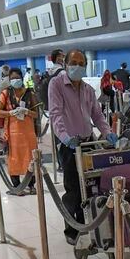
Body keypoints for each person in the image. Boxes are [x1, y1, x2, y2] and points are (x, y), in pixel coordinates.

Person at [49, 49, 117, 245]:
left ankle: (91, 223)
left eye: (81, 63)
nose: (77, 67)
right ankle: (73, 227)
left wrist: (107, 133)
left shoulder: (88, 89)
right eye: (73, 62)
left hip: (88, 142)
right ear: (66, 64)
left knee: (92, 186)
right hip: (70, 145)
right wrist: (65, 138)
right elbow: (56, 114)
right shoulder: (57, 84)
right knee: (74, 190)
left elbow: (97, 115)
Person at [0, 67, 39, 195]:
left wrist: (27, 111)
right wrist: (10, 112)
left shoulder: (29, 93)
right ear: (9, 79)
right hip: (13, 133)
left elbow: (36, 114)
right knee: (14, 159)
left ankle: (31, 185)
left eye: (18, 78)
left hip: (28, 133)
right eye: (13, 79)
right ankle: (16, 186)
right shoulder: (5, 93)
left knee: (30, 158)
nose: (16, 81)